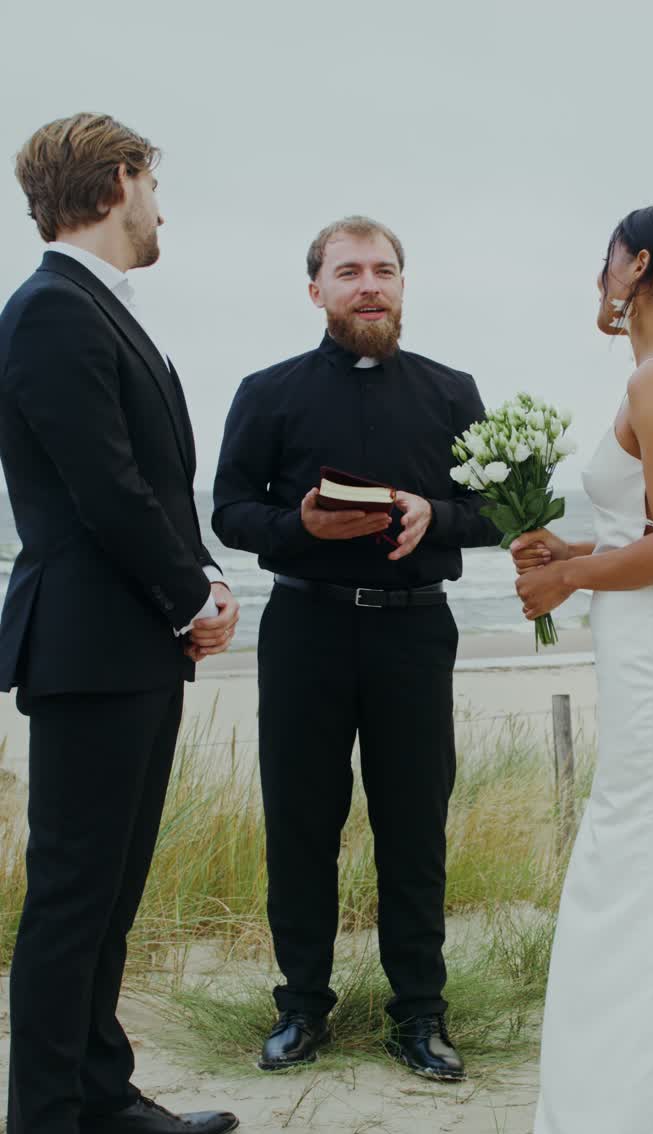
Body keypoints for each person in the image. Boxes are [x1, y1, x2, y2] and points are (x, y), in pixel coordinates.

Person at [0, 113, 241, 1134]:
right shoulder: (51, 308)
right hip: (90, 639)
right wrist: (192, 591)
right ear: (115, 182)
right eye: (152, 181)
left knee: (112, 892)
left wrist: (201, 578)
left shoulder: (94, 306)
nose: (160, 205)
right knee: (71, 895)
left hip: (128, 636)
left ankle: (101, 1089)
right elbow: (102, 488)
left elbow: (152, 486)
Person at [213, 215, 499, 1078]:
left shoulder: (452, 390)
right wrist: (296, 522)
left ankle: (420, 1013)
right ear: (317, 291)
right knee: (303, 819)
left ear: (403, 285)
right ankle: (302, 1008)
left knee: (416, 820)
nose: (368, 284)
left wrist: (435, 514)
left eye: (383, 270)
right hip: (306, 626)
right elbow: (228, 512)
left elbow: (495, 508)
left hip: (416, 628)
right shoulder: (269, 390)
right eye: (348, 271)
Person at [512, 203, 653, 1134]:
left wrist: (569, 580)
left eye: (606, 257)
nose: (596, 274)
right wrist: (574, 554)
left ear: (636, 265)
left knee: (644, 875)